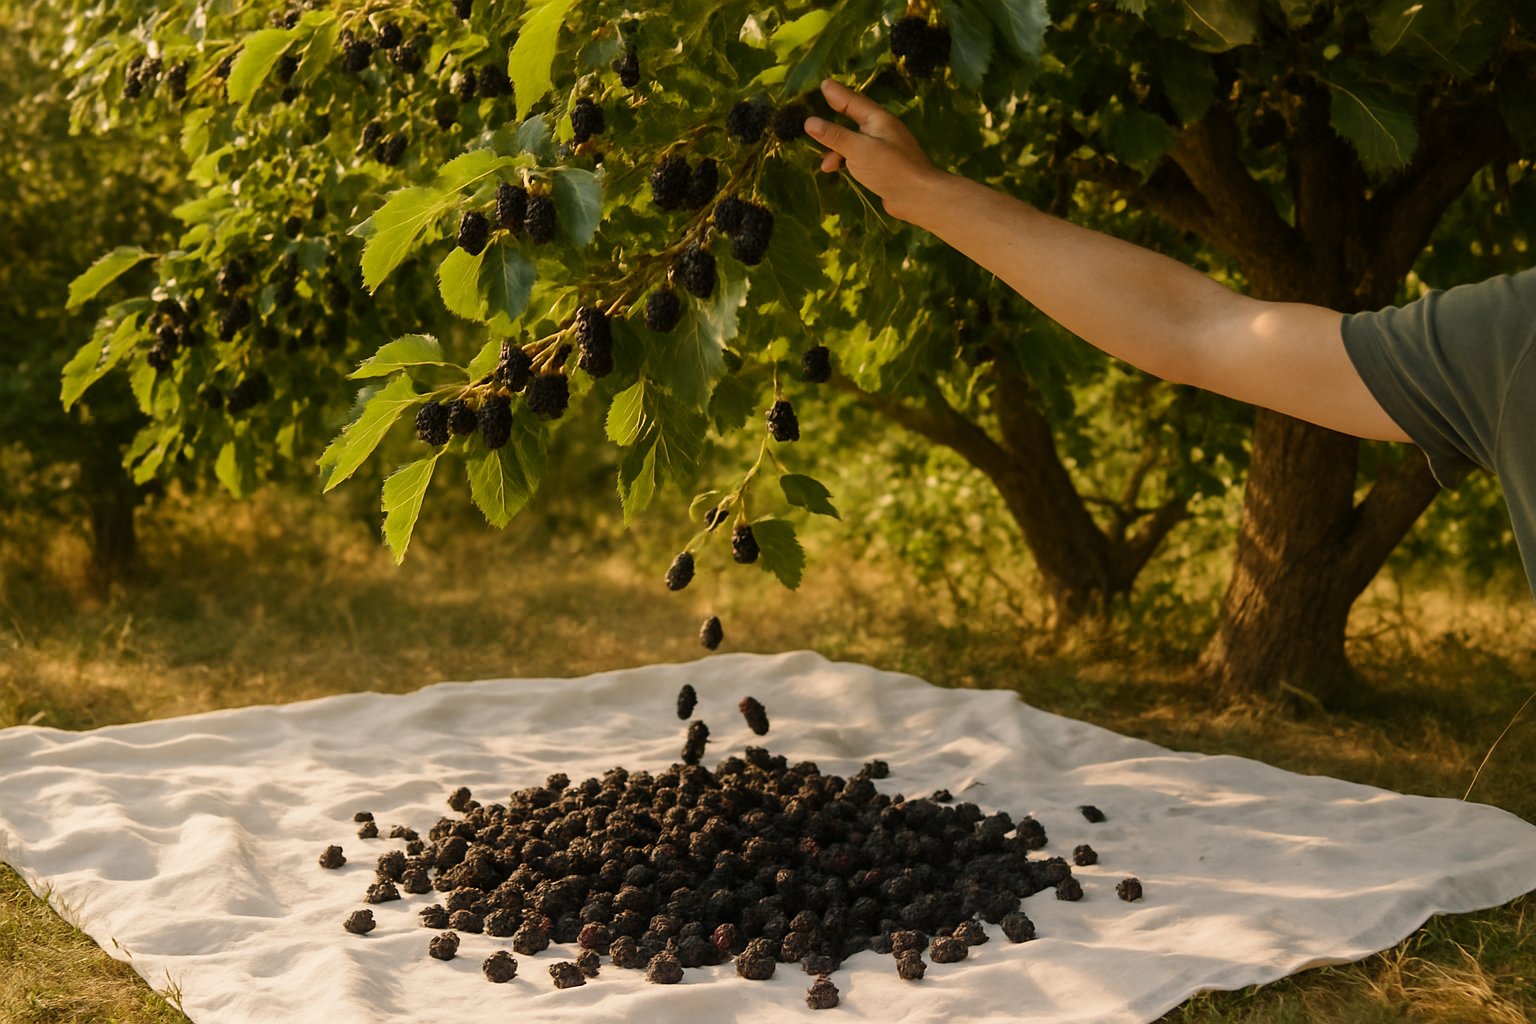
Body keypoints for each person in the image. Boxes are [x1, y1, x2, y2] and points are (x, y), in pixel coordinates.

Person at [803, 78, 1536, 601]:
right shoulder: (1510, 339)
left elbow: (1197, 332)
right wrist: (925, 193)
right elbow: (1194, 332)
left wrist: (925, 193)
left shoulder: (1513, 336)